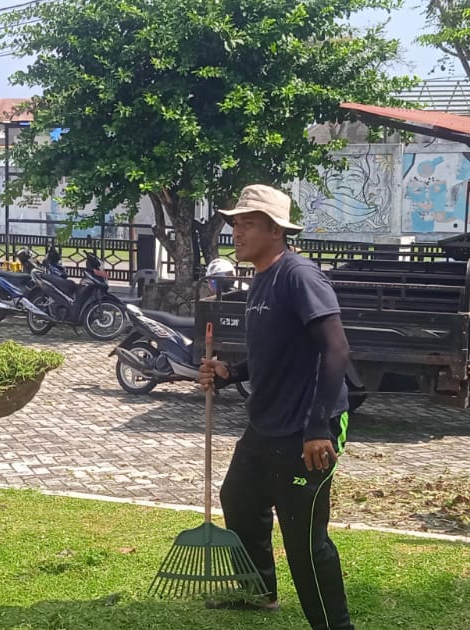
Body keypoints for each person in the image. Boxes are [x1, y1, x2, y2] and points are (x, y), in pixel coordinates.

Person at [199, 184, 353, 629]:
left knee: (304, 539)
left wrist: (318, 427)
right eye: (235, 224)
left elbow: (336, 349)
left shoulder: (299, 275)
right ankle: (259, 591)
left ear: (275, 230)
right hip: (266, 423)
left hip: (307, 426)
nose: (236, 233)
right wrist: (231, 373)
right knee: (239, 499)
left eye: (248, 224)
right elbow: (277, 352)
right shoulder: (262, 278)